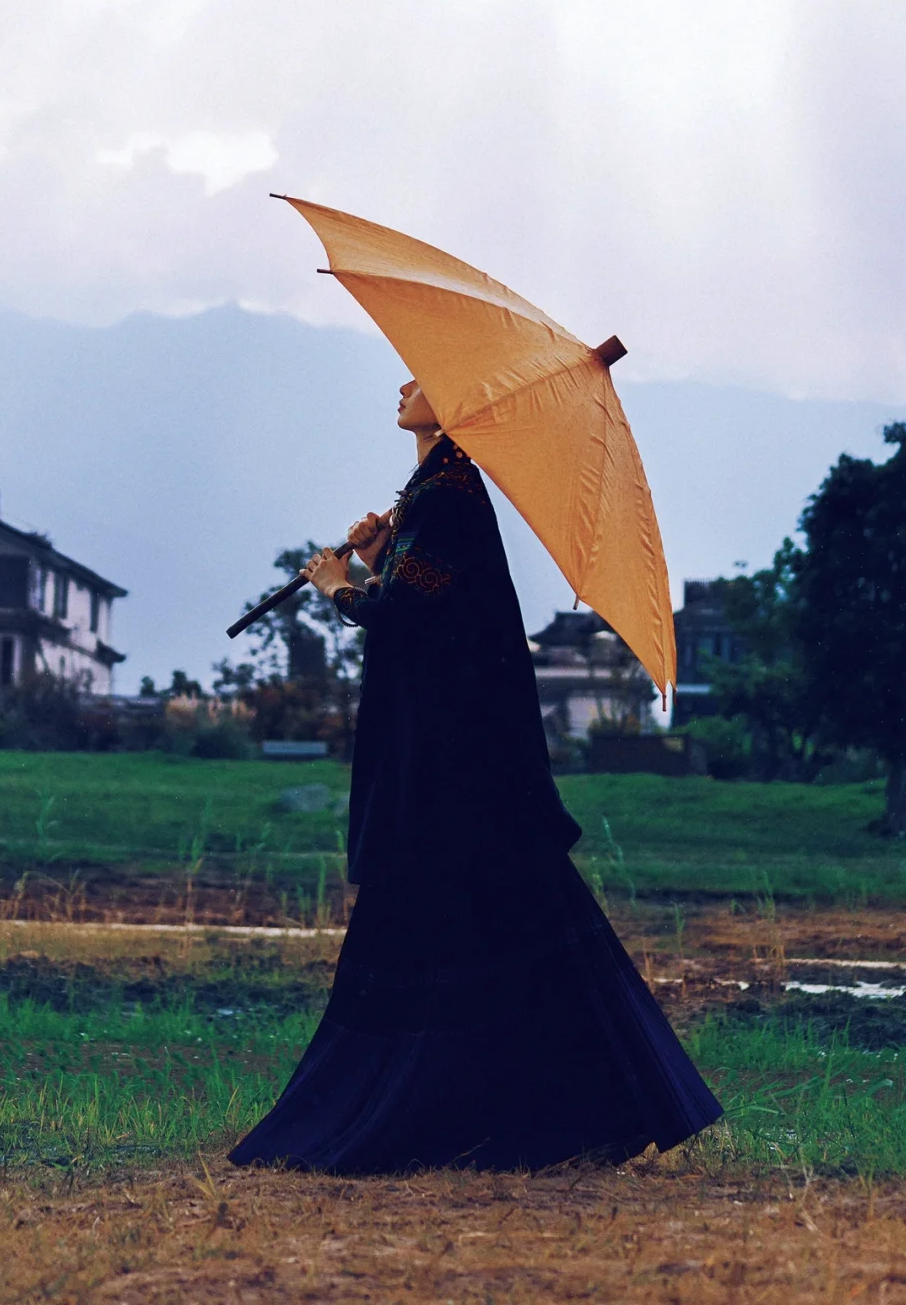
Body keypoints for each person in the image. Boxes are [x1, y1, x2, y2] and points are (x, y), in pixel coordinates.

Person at [227, 380, 721, 1172]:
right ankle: (536, 1118)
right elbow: (433, 606)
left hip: (449, 773)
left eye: (421, 379)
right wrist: (385, 556)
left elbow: (406, 618)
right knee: (502, 921)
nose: (402, 385)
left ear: (452, 407)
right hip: (457, 764)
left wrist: (338, 586)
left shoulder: (450, 497)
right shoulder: (436, 495)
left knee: (461, 915)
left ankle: (455, 1121)